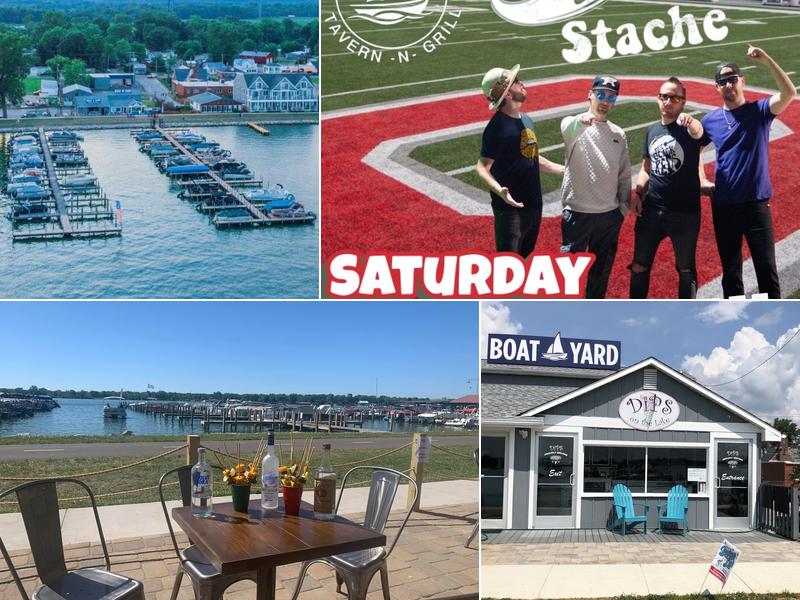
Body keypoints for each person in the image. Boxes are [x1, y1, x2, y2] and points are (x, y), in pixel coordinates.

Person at [699, 47, 796, 298]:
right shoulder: (710, 120)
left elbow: (789, 93)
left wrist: (766, 60)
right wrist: (701, 180)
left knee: (767, 271)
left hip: (756, 205)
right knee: (731, 275)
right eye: (723, 81)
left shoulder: (759, 111)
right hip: (724, 205)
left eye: (732, 79)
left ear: (742, 81)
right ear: (716, 88)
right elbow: (694, 149)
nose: (728, 84)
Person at [629, 77, 710, 299]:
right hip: (652, 211)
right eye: (664, 96)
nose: (668, 101)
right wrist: (638, 192)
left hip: (684, 213)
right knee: (638, 266)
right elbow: (646, 168)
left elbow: (699, 132)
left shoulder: (688, 127)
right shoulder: (652, 130)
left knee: (685, 270)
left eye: (674, 97)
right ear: (658, 99)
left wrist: (691, 121)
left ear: (683, 102)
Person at [476, 64, 564, 257]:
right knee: (509, 266)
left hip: (533, 204)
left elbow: (530, 156)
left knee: (523, 258)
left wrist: (564, 171)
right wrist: (500, 192)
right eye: (516, 82)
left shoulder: (526, 119)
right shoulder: (497, 127)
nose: (522, 83)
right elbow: (482, 167)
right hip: (510, 210)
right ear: (507, 94)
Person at [560, 75, 631, 299]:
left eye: (611, 97)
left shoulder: (619, 134)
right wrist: (582, 122)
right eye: (600, 94)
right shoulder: (572, 124)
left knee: (600, 276)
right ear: (589, 95)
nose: (605, 100)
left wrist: (622, 209)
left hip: (609, 217)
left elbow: (624, 174)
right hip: (576, 216)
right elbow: (570, 129)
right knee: (569, 274)